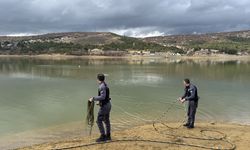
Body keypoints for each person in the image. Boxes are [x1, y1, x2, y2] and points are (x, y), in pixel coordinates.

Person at [89, 73, 111, 142]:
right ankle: (108, 136)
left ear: (98, 79)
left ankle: (103, 136)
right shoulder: (105, 84)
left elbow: (102, 96)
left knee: (99, 121)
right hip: (108, 104)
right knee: (106, 120)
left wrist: (93, 98)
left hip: (105, 106)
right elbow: (106, 96)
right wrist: (99, 102)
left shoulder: (102, 86)